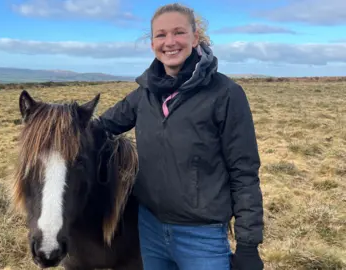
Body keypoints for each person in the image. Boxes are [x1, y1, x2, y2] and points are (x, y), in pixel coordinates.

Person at [94, 3, 264, 270]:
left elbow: (244, 172)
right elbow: (99, 127)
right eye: (161, 35)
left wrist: (248, 245)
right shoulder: (144, 94)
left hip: (202, 237)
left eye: (179, 33)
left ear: (195, 38)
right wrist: (52, 122)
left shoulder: (226, 94)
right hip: (150, 229)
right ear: (152, 44)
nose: (169, 42)